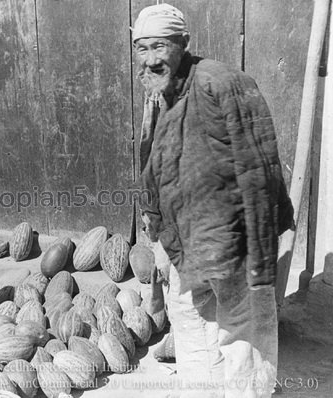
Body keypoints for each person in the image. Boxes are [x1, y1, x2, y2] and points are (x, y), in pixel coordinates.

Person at [132, 4, 294, 398]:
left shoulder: (223, 84)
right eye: (142, 48)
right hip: (184, 241)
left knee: (242, 334)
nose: (151, 59)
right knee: (189, 319)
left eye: (160, 47)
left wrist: (260, 254)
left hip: (231, 240)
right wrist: (155, 230)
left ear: (183, 43)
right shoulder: (157, 89)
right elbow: (149, 161)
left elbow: (260, 168)